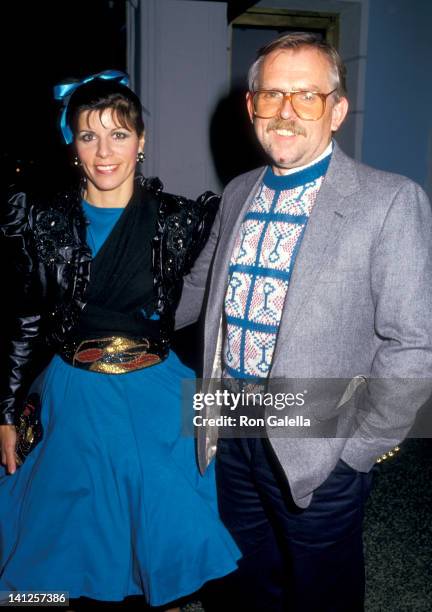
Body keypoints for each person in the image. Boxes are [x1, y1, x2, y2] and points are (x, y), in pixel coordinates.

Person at [175, 33, 432, 611]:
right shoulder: (238, 191)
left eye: (307, 96)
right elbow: (197, 289)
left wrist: (360, 448)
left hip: (320, 437)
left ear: (336, 109)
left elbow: (415, 344)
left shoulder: (391, 201)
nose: (286, 112)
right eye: (272, 95)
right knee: (241, 576)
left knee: (322, 590)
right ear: (251, 107)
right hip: (229, 423)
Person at [0, 70, 240, 611]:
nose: (104, 151)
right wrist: (5, 411)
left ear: (142, 141)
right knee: (69, 533)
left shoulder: (182, 219)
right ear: (72, 144)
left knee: (166, 519)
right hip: (74, 390)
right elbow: (24, 322)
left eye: (119, 134)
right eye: (89, 135)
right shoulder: (42, 220)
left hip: (158, 388)